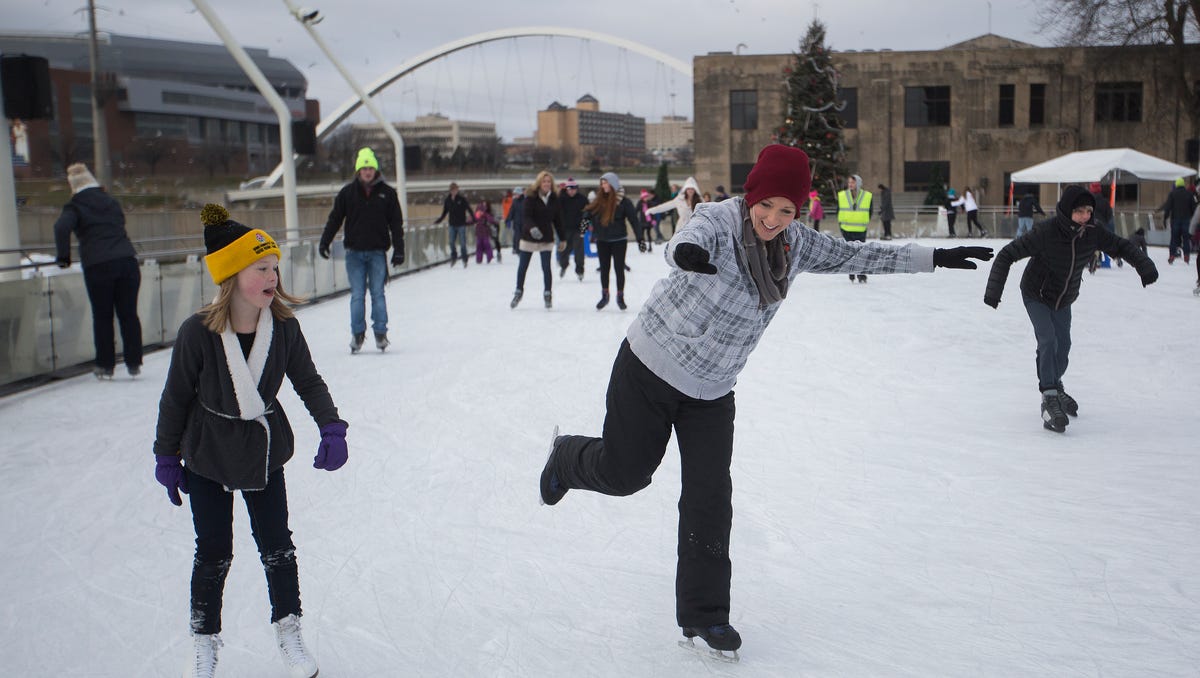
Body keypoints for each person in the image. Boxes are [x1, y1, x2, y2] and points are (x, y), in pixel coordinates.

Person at [538, 144, 992, 659]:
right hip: (650, 366)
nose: (774, 219)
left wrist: (933, 256)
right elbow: (687, 236)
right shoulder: (718, 219)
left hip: (711, 391)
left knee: (710, 499)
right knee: (627, 475)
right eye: (767, 205)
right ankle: (567, 458)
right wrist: (684, 253)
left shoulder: (796, 245)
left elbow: (859, 254)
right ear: (751, 194)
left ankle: (705, 617)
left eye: (788, 210)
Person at [154, 203, 348, 678]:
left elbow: (308, 381)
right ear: (232, 275)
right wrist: (165, 454)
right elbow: (175, 398)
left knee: (277, 545)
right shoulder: (197, 334)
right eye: (261, 268)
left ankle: (289, 632)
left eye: (275, 267)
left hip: (262, 453)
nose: (273, 276)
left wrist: (332, 426)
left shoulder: (283, 328)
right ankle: (204, 641)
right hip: (206, 453)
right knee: (215, 551)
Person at [983, 185, 1158, 433]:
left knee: (1063, 347)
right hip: (1037, 294)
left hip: (1064, 298)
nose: (1085, 216)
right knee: (1048, 340)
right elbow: (1007, 254)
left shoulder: (1093, 233)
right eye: (1079, 211)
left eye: (1088, 211)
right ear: (1067, 211)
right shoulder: (1046, 232)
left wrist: (1144, 266)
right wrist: (993, 292)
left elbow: (1122, 246)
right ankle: (1049, 396)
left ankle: (1055, 383)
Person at [52, 162, 143, 379]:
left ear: (72, 185)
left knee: (102, 316)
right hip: (127, 261)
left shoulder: (75, 205)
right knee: (129, 314)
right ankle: (133, 362)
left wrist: (64, 257)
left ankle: (105, 365)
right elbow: (120, 222)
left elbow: (60, 227)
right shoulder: (110, 201)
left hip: (98, 265)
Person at [318, 147, 405, 353]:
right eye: (364, 167)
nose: (368, 171)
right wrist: (325, 242)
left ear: (375, 170)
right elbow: (335, 219)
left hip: (377, 252)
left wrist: (399, 250)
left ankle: (381, 333)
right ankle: (357, 335)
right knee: (357, 294)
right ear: (358, 170)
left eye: (371, 167)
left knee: (378, 294)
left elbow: (396, 224)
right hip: (354, 253)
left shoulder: (387, 193)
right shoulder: (347, 193)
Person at [582, 172, 642, 310]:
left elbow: (634, 220)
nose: (604, 186)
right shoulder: (599, 200)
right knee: (604, 268)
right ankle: (605, 295)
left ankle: (620, 296)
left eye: (606, 183)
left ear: (613, 184)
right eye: (602, 183)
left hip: (619, 240)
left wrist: (640, 239)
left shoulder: (624, 202)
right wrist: (584, 224)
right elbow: (588, 212)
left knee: (619, 268)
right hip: (602, 240)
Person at [511, 171, 560, 310]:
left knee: (546, 267)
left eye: (549, 182)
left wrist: (562, 238)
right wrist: (532, 228)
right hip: (529, 237)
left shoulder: (554, 199)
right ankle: (518, 291)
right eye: (544, 181)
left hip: (546, 238)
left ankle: (547, 293)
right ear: (539, 183)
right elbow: (526, 217)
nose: (546, 184)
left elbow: (558, 220)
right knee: (523, 266)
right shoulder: (530, 197)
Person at [837, 173, 873, 282]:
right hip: (846, 229)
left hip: (860, 229)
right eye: (849, 182)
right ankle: (851, 272)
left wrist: (864, 221)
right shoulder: (842, 195)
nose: (850, 184)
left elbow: (870, 211)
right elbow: (838, 210)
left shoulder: (867, 195)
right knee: (849, 252)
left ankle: (861, 274)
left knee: (860, 252)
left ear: (858, 183)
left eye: (853, 182)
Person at [434, 181, 475, 268]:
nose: (454, 191)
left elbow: (469, 209)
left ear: (457, 190)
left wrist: (474, 218)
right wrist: (439, 220)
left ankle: (464, 259)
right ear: (450, 191)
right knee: (451, 242)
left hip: (461, 224)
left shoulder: (462, 199)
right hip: (452, 224)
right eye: (452, 190)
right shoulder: (447, 200)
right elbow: (444, 212)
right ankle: (454, 257)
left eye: (455, 190)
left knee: (463, 243)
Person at [557, 177, 588, 280]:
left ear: (576, 189)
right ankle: (563, 266)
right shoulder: (561, 199)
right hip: (565, 229)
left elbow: (587, 214)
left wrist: (584, 228)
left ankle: (580, 270)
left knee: (579, 251)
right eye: (569, 189)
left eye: (573, 189)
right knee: (563, 250)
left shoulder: (582, 199)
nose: (571, 191)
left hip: (578, 229)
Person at [1160, 176, 1195, 264]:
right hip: (1186, 220)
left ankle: (1172, 255)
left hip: (1175, 220)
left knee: (1174, 238)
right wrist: (1191, 217)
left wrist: (1165, 218)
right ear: (1183, 184)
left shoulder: (1172, 194)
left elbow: (1168, 207)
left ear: (1176, 184)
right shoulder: (1189, 194)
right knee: (1186, 239)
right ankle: (1186, 256)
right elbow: (1193, 208)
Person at [1087, 182, 1116, 272]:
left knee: (1090, 244)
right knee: (1102, 243)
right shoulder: (1105, 201)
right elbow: (1109, 215)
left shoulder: (1088, 201)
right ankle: (1105, 261)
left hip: (1090, 225)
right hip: (1102, 226)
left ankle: (1092, 259)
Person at [474, 199, 497, 264]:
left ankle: (489, 257)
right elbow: (471, 220)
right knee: (479, 245)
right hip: (479, 232)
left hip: (485, 232)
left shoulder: (486, 215)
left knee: (486, 244)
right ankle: (479, 259)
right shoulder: (476, 216)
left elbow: (491, 219)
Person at [506, 186, 525, 256]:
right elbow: (511, 211)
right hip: (516, 223)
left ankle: (524, 250)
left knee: (523, 238)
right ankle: (518, 251)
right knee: (517, 237)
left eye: (516, 194)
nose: (515, 195)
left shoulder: (525, 201)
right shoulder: (515, 201)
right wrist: (508, 220)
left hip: (524, 223)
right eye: (515, 194)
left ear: (520, 194)